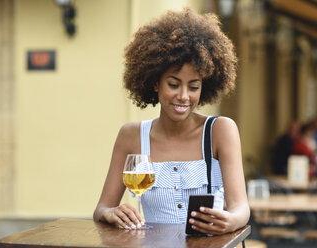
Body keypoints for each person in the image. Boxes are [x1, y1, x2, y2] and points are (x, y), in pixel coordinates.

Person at [93, 8, 250, 235]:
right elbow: (102, 208)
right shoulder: (131, 136)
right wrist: (110, 213)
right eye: (174, 85)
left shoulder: (220, 130)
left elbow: (241, 207)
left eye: (193, 86)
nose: (184, 96)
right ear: (156, 82)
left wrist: (231, 220)